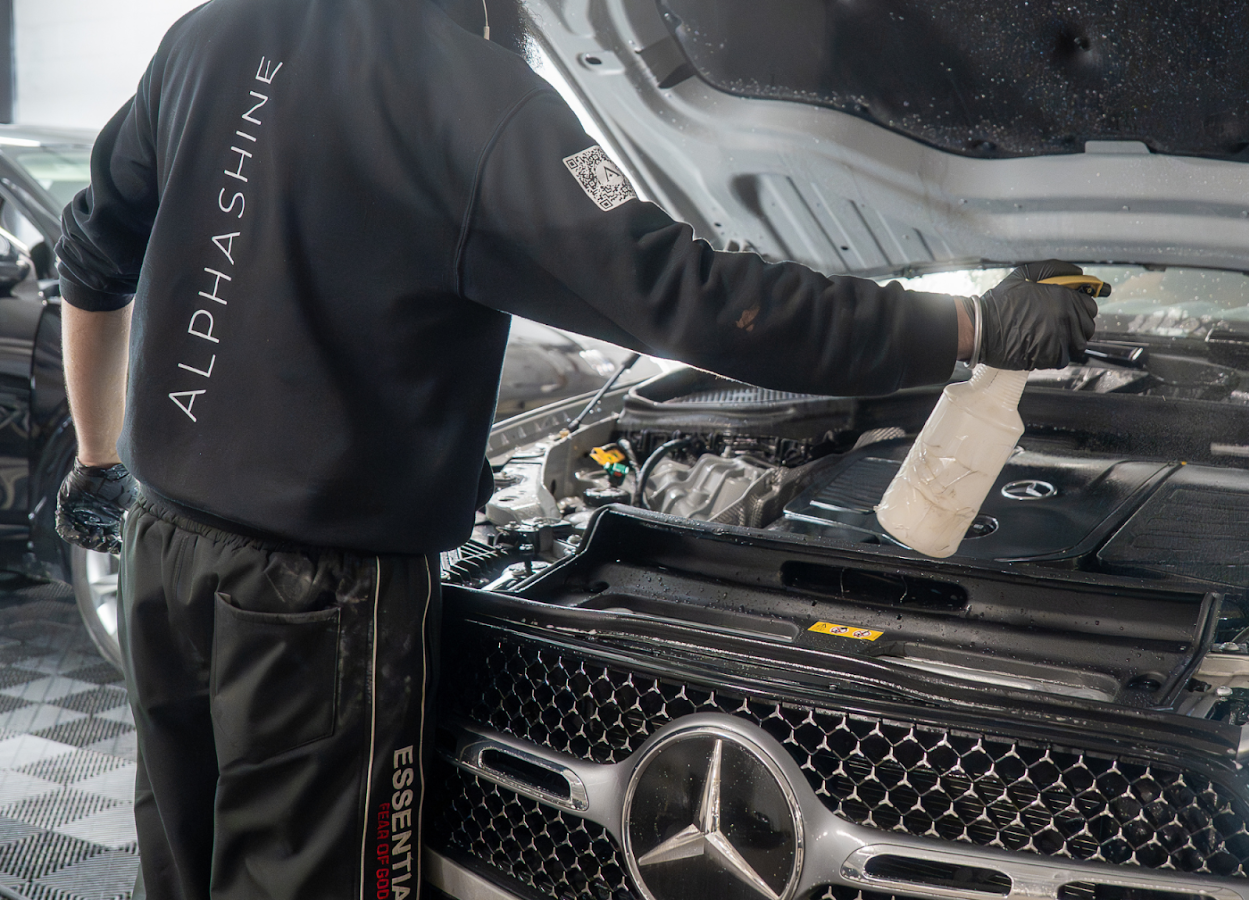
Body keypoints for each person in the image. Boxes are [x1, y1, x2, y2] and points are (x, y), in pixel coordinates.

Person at [50, 0, 1100, 897]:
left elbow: (91, 256)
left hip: (162, 547)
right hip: (318, 602)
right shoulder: (474, 100)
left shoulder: (213, 32)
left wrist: (99, 462)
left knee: (178, 860)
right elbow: (697, 302)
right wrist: (963, 328)